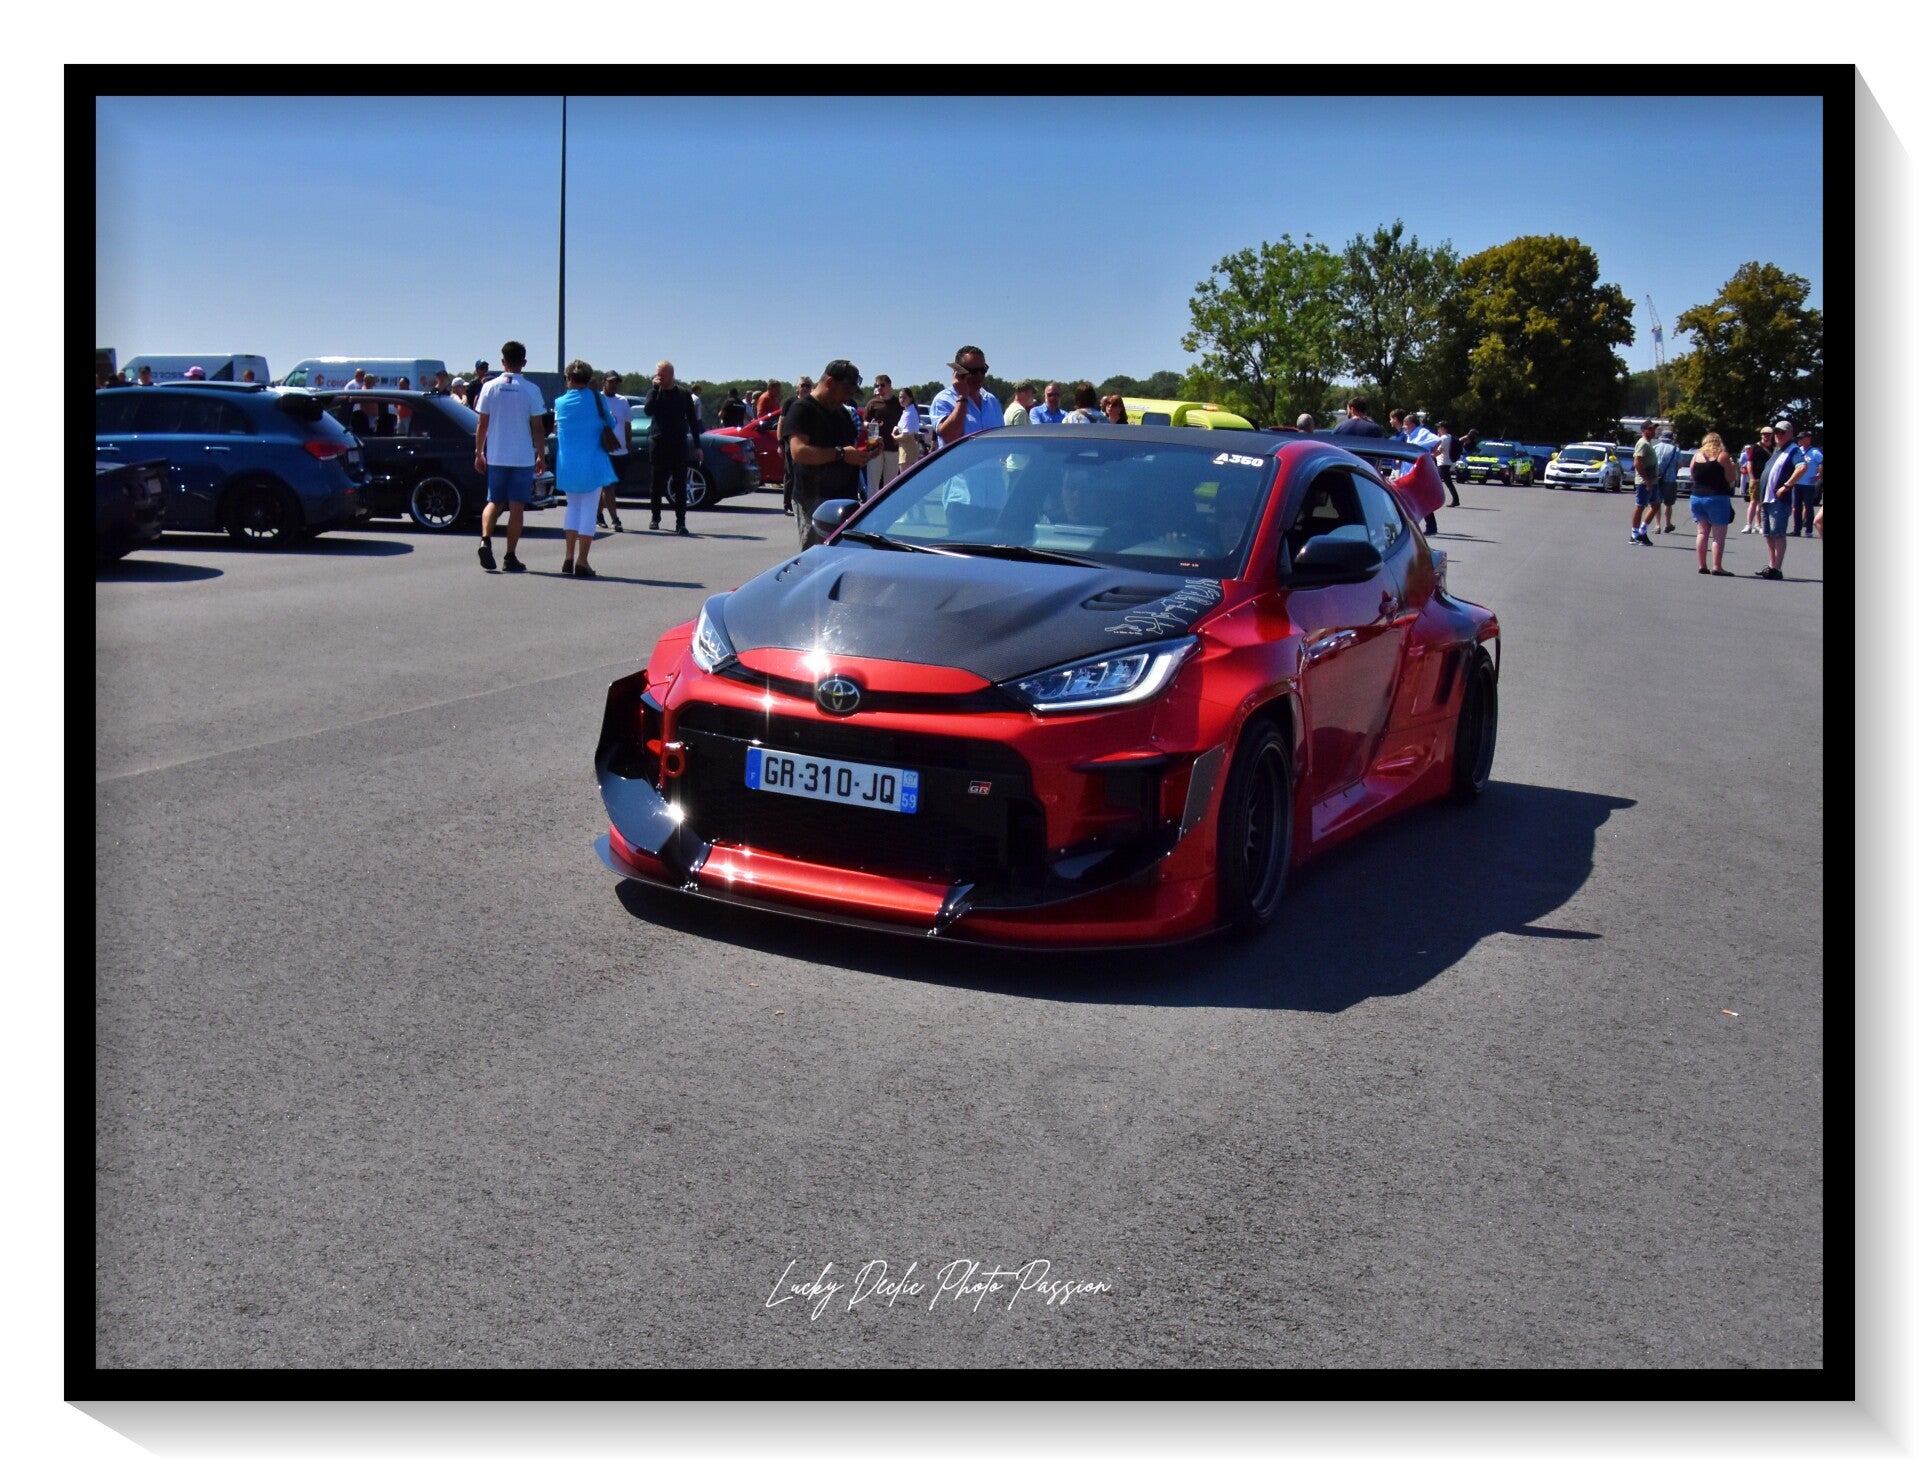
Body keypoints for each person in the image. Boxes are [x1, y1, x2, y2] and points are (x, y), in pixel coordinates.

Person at [783, 360, 876, 550]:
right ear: (830, 382)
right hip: (814, 502)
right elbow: (799, 452)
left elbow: (849, 451)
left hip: (844, 502)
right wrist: (841, 454)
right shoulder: (803, 409)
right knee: (817, 557)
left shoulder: (842, 413)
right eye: (846, 391)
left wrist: (865, 455)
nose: (848, 397)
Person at [473, 340, 546, 573]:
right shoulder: (531, 389)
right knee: (516, 507)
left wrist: (479, 452)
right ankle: (510, 555)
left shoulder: (489, 387)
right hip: (522, 457)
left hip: (496, 454)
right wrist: (541, 455)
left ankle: (485, 539)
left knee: (494, 501)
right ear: (524, 362)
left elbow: (482, 424)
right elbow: (538, 428)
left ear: (503, 361)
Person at [552, 359, 617, 578]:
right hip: (593, 462)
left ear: (569, 378)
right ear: (589, 379)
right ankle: (583, 560)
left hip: (568, 463)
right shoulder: (597, 399)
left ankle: (568, 556)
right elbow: (611, 423)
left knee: (573, 508)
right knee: (589, 510)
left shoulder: (560, 402)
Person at [643, 360, 703, 535]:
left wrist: (698, 446)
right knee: (656, 483)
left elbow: (692, 421)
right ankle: (655, 517)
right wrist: (655, 389)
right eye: (657, 374)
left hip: (678, 444)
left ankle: (680, 522)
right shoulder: (653, 392)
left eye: (662, 374)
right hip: (658, 443)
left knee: (680, 484)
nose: (659, 377)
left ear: (671, 375)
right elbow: (648, 411)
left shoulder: (683, 394)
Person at [1755, 418, 1806, 579]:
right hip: (1767, 498)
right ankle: (1772, 565)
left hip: (1778, 499)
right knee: (1768, 534)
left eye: (1782, 432)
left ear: (1790, 433)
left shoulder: (1793, 450)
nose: (1778, 435)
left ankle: (1777, 568)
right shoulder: (1778, 450)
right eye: (1776, 432)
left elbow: (1802, 467)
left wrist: (1787, 485)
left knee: (1778, 534)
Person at [1687, 432, 1738, 575]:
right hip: (1717, 496)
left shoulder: (1696, 456)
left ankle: (1702, 565)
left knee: (1702, 532)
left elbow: (1693, 475)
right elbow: (1731, 478)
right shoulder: (1722, 456)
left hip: (1696, 496)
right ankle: (1717, 566)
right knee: (1718, 535)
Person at [931, 345, 1004, 444]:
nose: (979, 376)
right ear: (958, 372)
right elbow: (950, 437)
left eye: (983, 370)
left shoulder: (991, 401)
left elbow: (1002, 440)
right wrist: (962, 397)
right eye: (973, 371)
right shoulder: (943, 400)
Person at [597, 371, 630, 532]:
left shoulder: (622, 401)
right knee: (608, 485)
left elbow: (627, 424)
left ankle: (598, 514)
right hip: (604, 450)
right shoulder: (598, 399)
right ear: (604, 382)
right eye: (611, 382)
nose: (614, 385)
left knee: (610, 486)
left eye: (616, 382)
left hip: (620, 450)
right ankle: (615, 519)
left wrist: (628, 443)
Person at [862, 375, 904, 498]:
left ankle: (888, 508)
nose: (879, 388)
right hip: (874, 445)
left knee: (890, 485)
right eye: (877, 385)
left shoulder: (898, 404)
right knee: (873, 483)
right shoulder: (872, 403)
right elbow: (864, 422)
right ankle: (871, 507)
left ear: (889, 385)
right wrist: (869, 425)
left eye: (882, 385)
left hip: (892, 446)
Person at [778, 375, 813, 515]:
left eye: (808, 385)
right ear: (797, 388)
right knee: (791, 474)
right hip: (790, 441)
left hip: (808, 442)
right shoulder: (790, 403)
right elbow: (781, 423)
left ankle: (804, 503)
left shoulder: (813, 403)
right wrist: (780, 443)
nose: (805, 388)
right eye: (803, 385)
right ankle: (788, 504)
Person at [1629, 420, 1660, 545]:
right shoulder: (1642, 443)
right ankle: (1634, 534)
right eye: (1650, 429)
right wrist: (1646, 480)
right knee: (1640, 506)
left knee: (1656, 505)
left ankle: (1642, 531)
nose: (1653, 431)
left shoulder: (1648, 444)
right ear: (1643, 430)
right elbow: (1637, 462)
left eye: (1654, 429)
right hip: (1644, 481)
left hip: (1653, 480)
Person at [1793, 428, 1821, 535]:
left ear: (1808, 439)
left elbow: (1821, 462)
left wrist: (1819, 475)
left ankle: (1809, 530)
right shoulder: (1798, 450)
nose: (1799, 440)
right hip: (1797, 483)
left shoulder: (1814, 452)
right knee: (1796, 507)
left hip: (1808, 484)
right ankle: (1797, 530)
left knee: (1808, 507)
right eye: (1799, 438)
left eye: (1802, 438)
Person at [1655, 426, 1682, 532]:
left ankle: (1657, 525)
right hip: (1670, 479)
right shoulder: (1675, 449)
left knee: (1656, 503)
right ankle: (1667, 524)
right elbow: (1679, 464)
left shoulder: (1655, 448)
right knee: (1668, 504)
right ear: (1671, 439)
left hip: (1656, 478)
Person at [892, 387, 924, 470]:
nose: (901, 400)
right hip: (909, 448)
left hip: (907, 450)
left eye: (904, 397)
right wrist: (897, 428)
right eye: (900, 397)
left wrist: (894, 436)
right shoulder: (909, 411)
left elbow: (905, 436)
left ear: (910, 398)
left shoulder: (909, 413)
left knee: (906, 475)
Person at [1433, 420, 1460, 506]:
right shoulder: (1449, 437)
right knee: (1445, 482)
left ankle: (1455, 500)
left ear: (1443, 428)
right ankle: (1455, 500)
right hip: (1446, 462)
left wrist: (1430, 456)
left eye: (1439, 427)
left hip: (1443, 463)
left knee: (1445, 482)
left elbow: (1439, 451)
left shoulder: (1443, 438)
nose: (1437, 429)